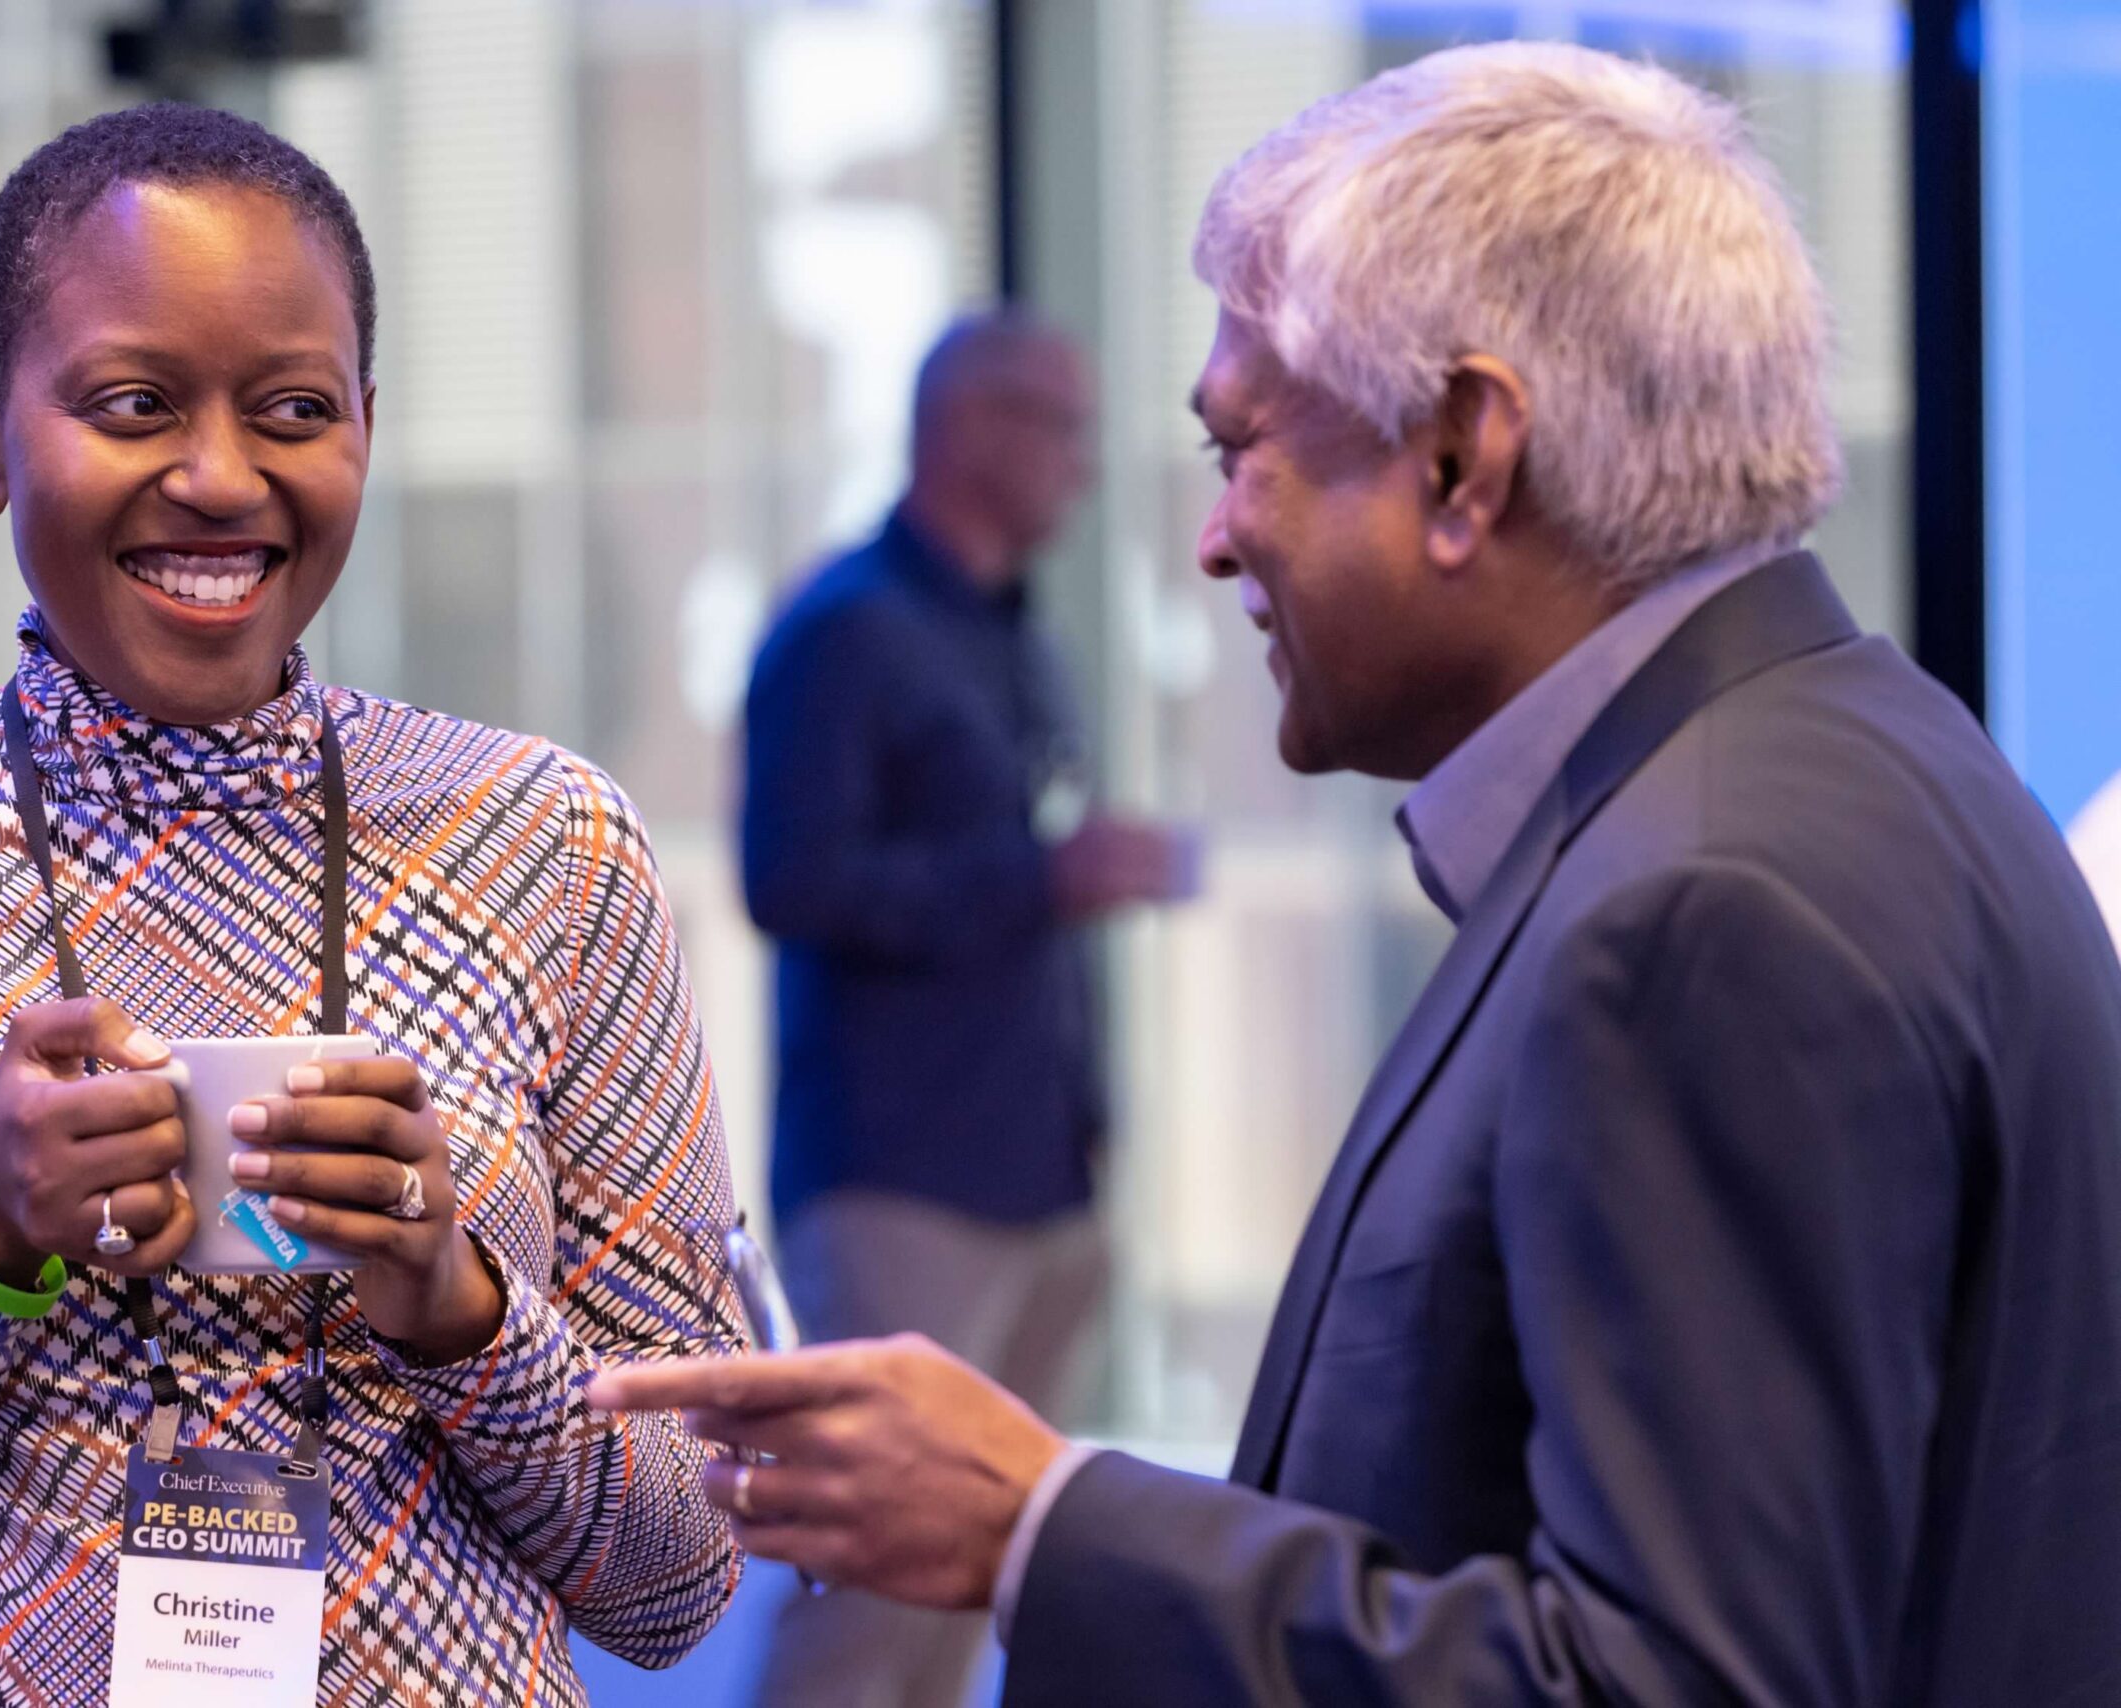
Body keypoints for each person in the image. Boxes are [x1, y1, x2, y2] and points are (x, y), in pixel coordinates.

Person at [594, 41, 2121, 1706]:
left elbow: (1661, 1682)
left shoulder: (1700, 905)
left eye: (1242, 445)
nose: (1212, 535)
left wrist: (1044, 1526)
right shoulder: (1863, 747)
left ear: (1465, 458)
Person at [0, 104, 744, 1707]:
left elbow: (687, 1576)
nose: (220, 478)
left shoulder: (548, 850)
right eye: (134, 403)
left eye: (293, 408)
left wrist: (454, 1303)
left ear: (365, 427)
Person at [739, 311, 1189, 1705]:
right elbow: (789, 882)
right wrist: (1039, 876)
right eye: (1060, 425)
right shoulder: (844, 631)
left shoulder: (1013, 641)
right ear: (971, 428)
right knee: (867, 1598)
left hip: (1039, 1175)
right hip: (902, 1186)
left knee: (964, 1588)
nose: (1082, 463)